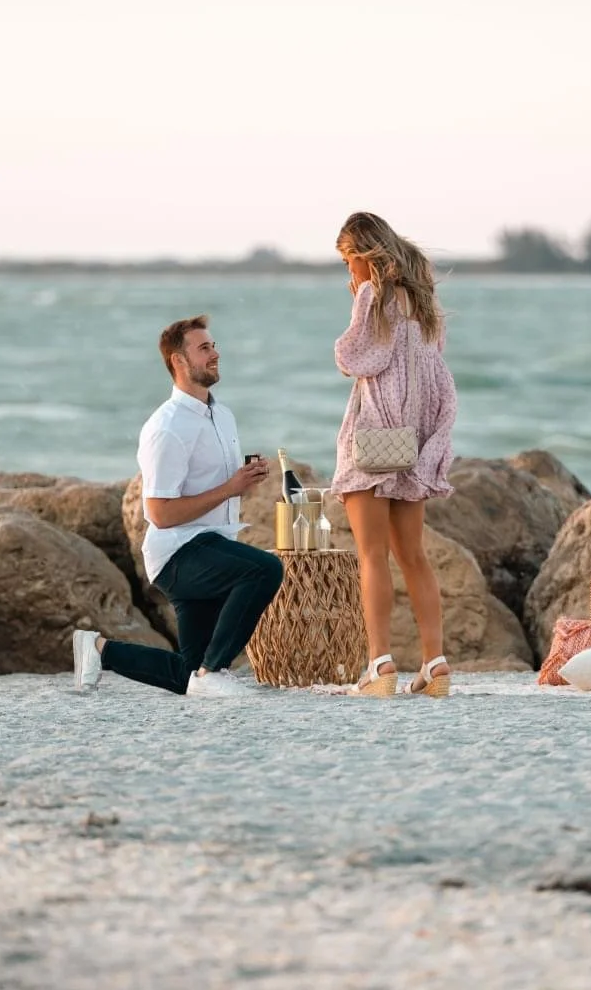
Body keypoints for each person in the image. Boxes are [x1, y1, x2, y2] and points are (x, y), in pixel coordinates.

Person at [72, 315, 282, 695]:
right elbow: (160, 514)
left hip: (211, 544)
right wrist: (229, 487)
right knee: (264, 570)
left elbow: (216, 486)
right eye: (204, 348)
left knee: (186, 675)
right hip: (180, 552)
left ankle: (98, 649)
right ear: (178, 362)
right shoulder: (166, 427)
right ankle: (214, 672)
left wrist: (245, 480)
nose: (215, 353)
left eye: (214, 345)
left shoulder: (222, 414)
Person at [330, 212, 459, 698]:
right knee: (414, 556)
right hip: (414, 444)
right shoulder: (423, 303)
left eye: (349, 262)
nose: (349, 273)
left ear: (365, 255)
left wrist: (356, 305)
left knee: (371, 555)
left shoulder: (373, 296)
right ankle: (434, 664)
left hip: (373, 442)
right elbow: (431, 368)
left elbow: (356, 359)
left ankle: (379, 665)